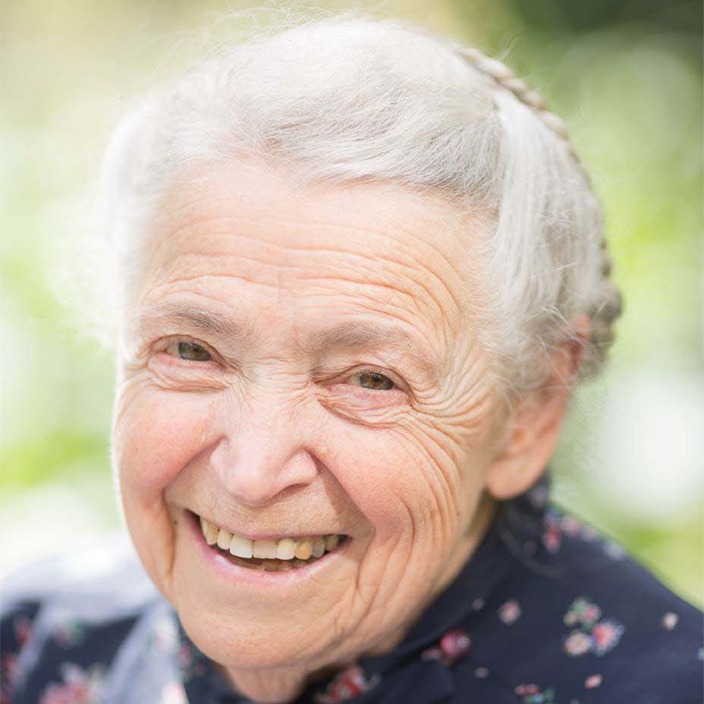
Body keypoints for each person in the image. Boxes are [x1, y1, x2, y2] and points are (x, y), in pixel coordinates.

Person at [2, 14, 701, 704]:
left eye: (370, 379)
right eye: (192, 351)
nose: (251, 473)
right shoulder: (33, 647)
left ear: (530, 410)